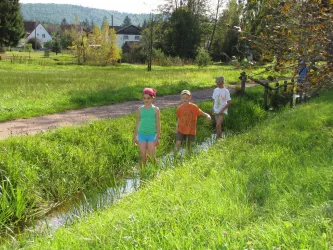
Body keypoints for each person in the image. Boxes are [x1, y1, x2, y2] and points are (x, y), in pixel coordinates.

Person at [133, 88, 161, 167]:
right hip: (142, 135)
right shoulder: (140, 109)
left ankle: (156, 173)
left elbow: (158, 124)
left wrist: (158, 137)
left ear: (152, 98)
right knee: (143, 157)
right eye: (144, 98)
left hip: (152, 135)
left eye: (148, 98)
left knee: (152, 157)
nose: (146, 100)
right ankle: (142, 175)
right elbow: (137, 123)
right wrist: (135, 136)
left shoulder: (156, 110)